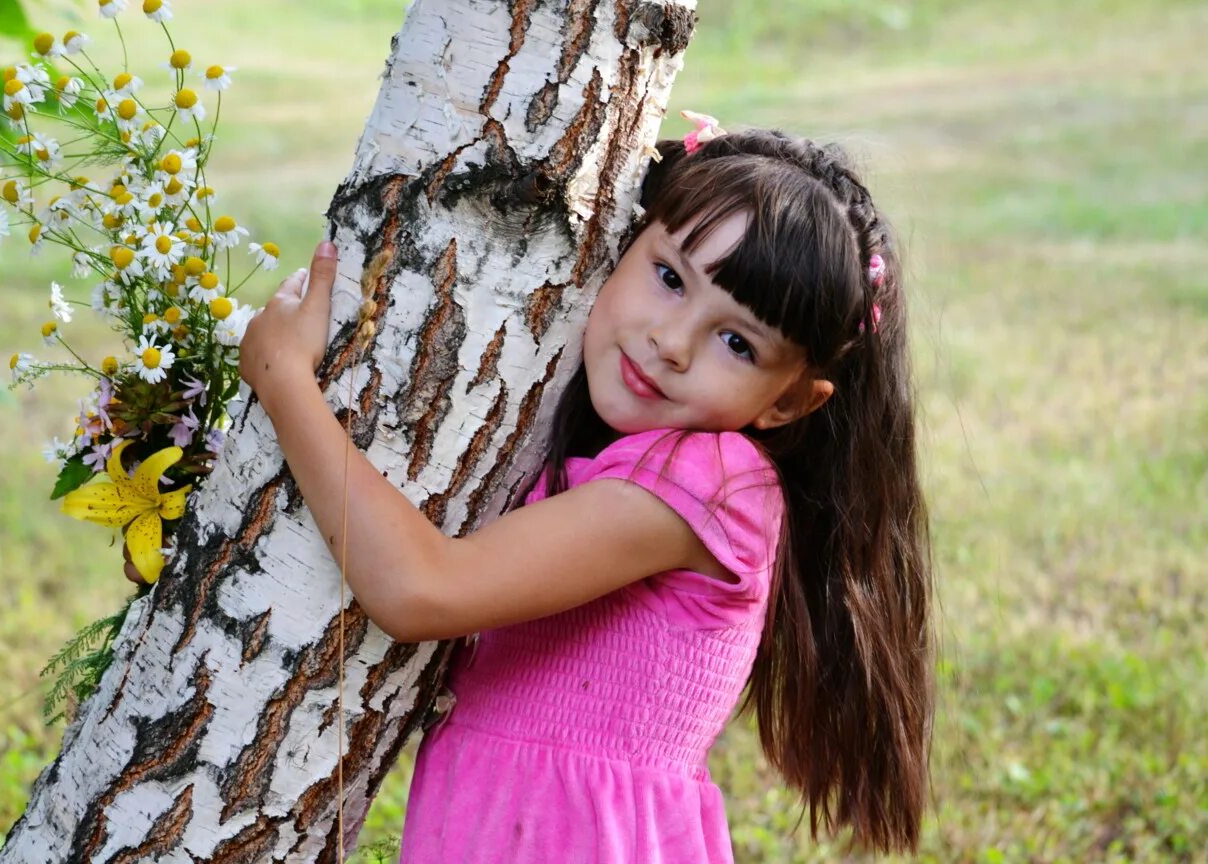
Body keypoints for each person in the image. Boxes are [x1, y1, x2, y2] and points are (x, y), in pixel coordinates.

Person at [235, 123, 934, 862]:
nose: (673, 342)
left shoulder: (710, 485)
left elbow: (419, 589)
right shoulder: (633, 463)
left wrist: (286, 384)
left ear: (788, 403)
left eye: (738, 343)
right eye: (669, 278)